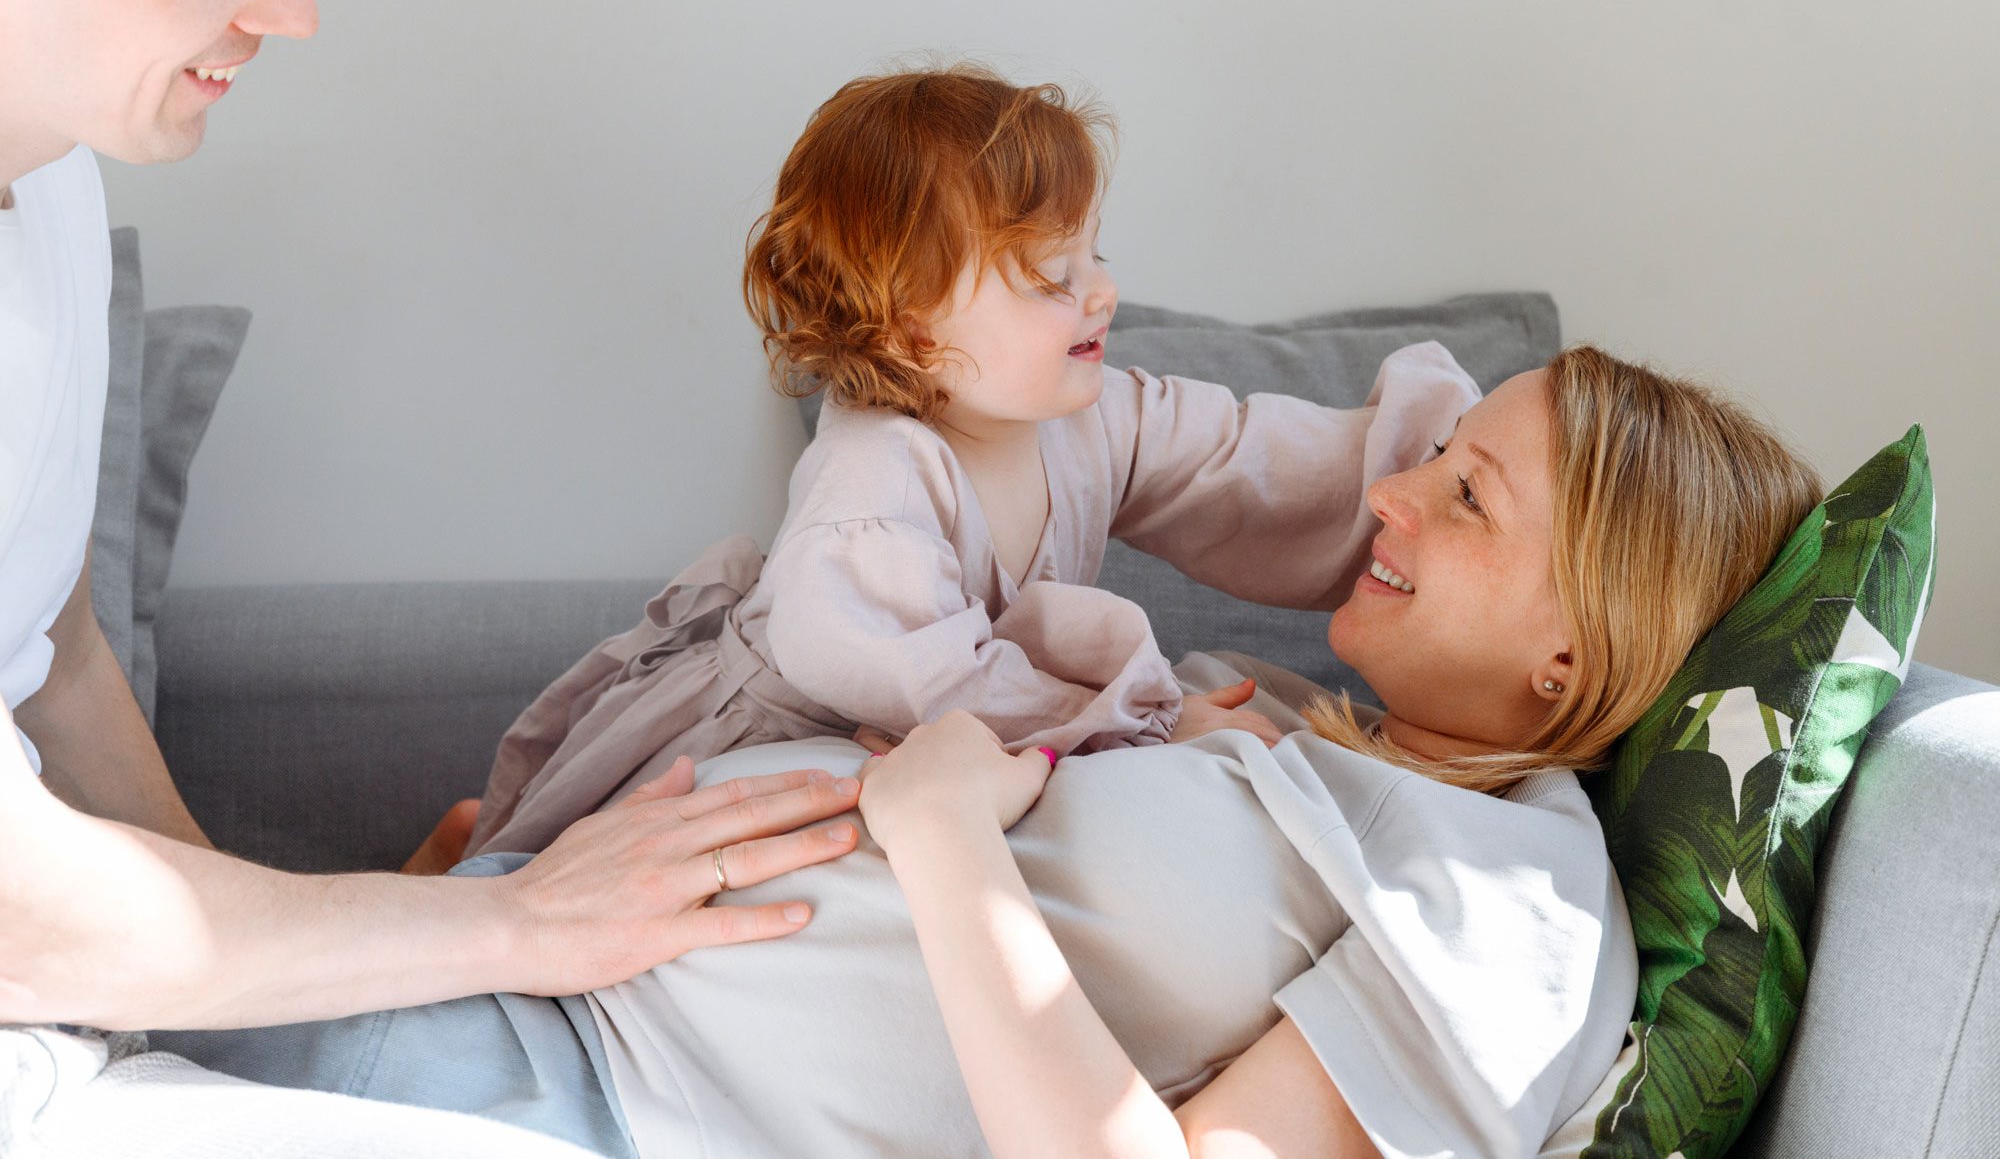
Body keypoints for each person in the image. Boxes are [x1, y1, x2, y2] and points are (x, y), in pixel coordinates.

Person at [162, 345, 1825, 1157]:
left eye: (1469, 495)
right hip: (511, 963)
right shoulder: (1320, 743)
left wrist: (947, 835)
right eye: (1434, 456)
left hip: (583, 1100)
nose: (1388, 494)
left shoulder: (1513, 903)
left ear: (1575, 649)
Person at [0, 0, 861, 1071]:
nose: (290, 7)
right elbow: (22, 919)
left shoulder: (54, 173)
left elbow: (56, 659)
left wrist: (302, 976)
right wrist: (500, 924)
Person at [469, 64, 1480, 855]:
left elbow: (1250, 465)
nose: (1100, 293)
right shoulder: (870, 487)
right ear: (913, 335)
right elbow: (933, 680)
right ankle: (457, 851)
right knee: (563, 895)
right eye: (1051, 275)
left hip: (933, 755)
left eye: (1093, 253)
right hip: (767, 742)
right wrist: (1145, 720)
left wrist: (1447, 466)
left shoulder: (1093, 419)